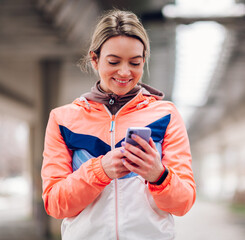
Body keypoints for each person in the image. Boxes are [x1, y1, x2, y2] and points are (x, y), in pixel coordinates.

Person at [41, 9, 196, 240]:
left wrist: (159, 175)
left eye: (135, 63)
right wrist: (99, 171)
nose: (125, 72)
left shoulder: (166, 115)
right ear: (95, 59)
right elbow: (55, 204)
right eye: (114, 61)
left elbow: (183, 203)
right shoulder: (63, 119)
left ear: (144, 60)